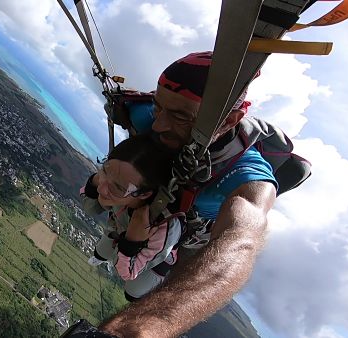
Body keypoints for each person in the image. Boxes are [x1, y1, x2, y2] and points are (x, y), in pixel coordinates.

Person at [95, 51, 279, 337]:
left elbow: (242, 241)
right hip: (141, 210)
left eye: (180, 117)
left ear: (230, 121)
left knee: (136, 290)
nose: (159, 125)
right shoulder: (145, 116)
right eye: (158, 108)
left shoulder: (247, 176)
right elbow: (128, 108)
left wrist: (142, 328)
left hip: (179, 240)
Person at [80, 134, 181, 301]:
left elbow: (128, 273)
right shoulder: (117, 178)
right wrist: (97, 180)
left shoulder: (164, 228)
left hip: (156, 252)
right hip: (121, 227)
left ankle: (154, 281)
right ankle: (100, 257)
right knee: (101, 252)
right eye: (105, 170)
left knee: (132, 293)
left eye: (118, 187)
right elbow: (91, 207)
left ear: (145, 194)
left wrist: (132, 242)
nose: (102, 189)